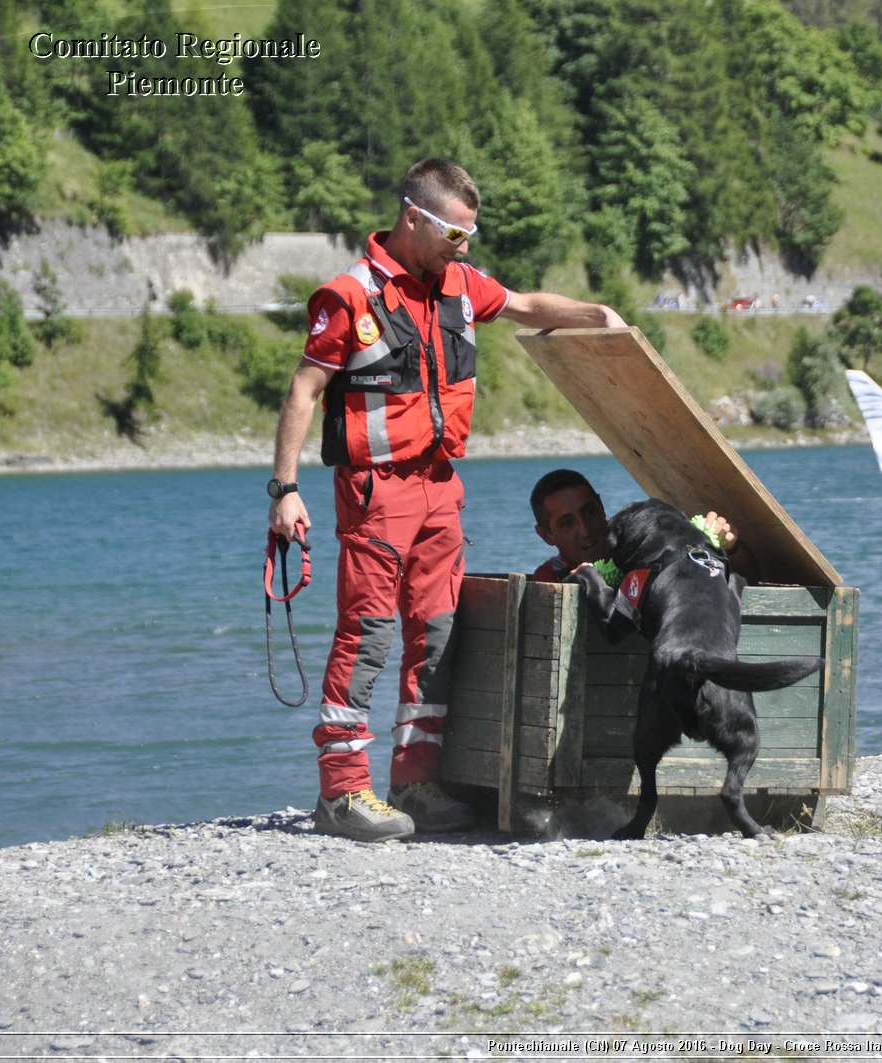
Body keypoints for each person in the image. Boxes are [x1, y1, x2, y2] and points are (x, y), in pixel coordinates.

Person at [267, 158, 625, 843]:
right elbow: (304, 390)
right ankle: (342, 793)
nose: (466, 247)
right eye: (456, 234)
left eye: (471, 234)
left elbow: (523, 304)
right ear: (413, 218)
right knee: (368, 633)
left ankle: (417, 782)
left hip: (440, 489)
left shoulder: (460, 285)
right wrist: (285, 492)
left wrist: (595, 315)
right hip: (376, 492)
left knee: (436, 635)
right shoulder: (349, 296)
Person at [527, 469, 754, 583]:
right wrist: (575, 587)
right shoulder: (550, 578)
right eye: (567, 523)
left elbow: (750, 578)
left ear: (601, 506)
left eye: (589, 512)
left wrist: (730, 547)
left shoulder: (640, 545)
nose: (585, 530)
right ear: (546, 535)